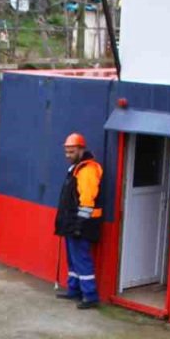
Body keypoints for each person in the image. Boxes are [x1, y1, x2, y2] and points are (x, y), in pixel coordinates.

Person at [53, 132, 103, 309]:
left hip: (81, 224)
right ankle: (74, 289)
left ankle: (90, 296)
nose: (68, 156)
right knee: (73, 259)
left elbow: (87, 201)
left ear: (81, 149)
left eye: (71, 152)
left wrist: (79, 225)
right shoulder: (77, 168)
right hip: (72, 223)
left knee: (82, 259)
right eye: (66, 152)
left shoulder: (87, 170)